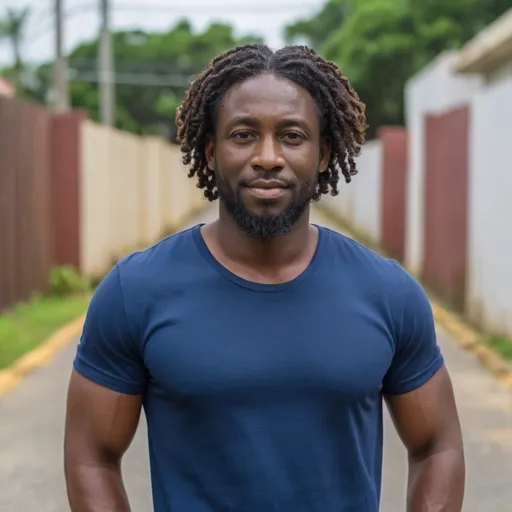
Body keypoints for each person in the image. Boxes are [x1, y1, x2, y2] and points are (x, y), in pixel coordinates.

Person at [64, 44, 465, 511]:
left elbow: (439, 446)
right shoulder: (135, 291)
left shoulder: (388, 293)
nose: (268, 157)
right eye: (243, 135)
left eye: (292, 136)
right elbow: (91, 457)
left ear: (323, 153)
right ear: (211, 152)